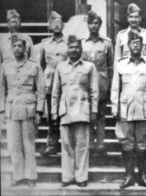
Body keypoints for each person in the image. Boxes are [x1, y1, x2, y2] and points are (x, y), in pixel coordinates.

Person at [111, 31, 146, 189]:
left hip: (143, 109)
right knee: (127, 144)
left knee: (142, 145)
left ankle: (143, 176)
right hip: (125, 109)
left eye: (139, 42)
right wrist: (115, 107)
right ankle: (129, 176)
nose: (136, 45)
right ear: (128, 45)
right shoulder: (120, 64)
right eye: (132, 43)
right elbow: (115, 87)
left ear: (142, 45)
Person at [51, 35, 98, 187]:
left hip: (82, 110)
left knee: (82, 145)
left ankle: (81, 177)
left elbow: (94, 91)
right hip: (65, 111)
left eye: (76, 47)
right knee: (66, 145)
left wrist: (94, 111)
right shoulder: (60, 67)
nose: (73, 50)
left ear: (81, 49)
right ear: (68, 49)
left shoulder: (89, 67)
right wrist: (53, 111)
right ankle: (67, 176)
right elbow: (55, 92)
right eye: (71, 47)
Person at [0, 35, 45, 188]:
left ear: (26, 48)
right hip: (12, 109)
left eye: (20, 46)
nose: (18, 48)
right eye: (15, 46)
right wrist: (1, 111)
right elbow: (1, 90)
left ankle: (31, 176)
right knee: (14, 145)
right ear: (11, 49)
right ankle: (18, 176)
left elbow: (41, 90)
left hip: (28, 109)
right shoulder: (5, 66)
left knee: (28, 145)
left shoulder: (34, 66)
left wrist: (39, 111)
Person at [82, 11, 114, 156]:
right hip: (86, 83)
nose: (93, 26)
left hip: (102, 82)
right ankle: (89, 144)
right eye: (91, 23)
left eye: (96, 23)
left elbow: (111, 65)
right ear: (87, 24)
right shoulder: (82, 42)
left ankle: (100, 144)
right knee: (88, 114)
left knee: (101, 114)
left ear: (100, 25)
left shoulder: (106, 43)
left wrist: (110, 85)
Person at [40, 11, 68, 156]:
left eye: (59, 22)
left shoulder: (69, 43)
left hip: (65, 82)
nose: (57, 25)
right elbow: (41, 66)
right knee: (52, 115)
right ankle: (52, 145)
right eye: (54, 22)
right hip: (50, 83)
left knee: (65, 113)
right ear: (50, 26)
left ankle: (66, 145)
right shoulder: (45, 44)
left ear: (63, 25)